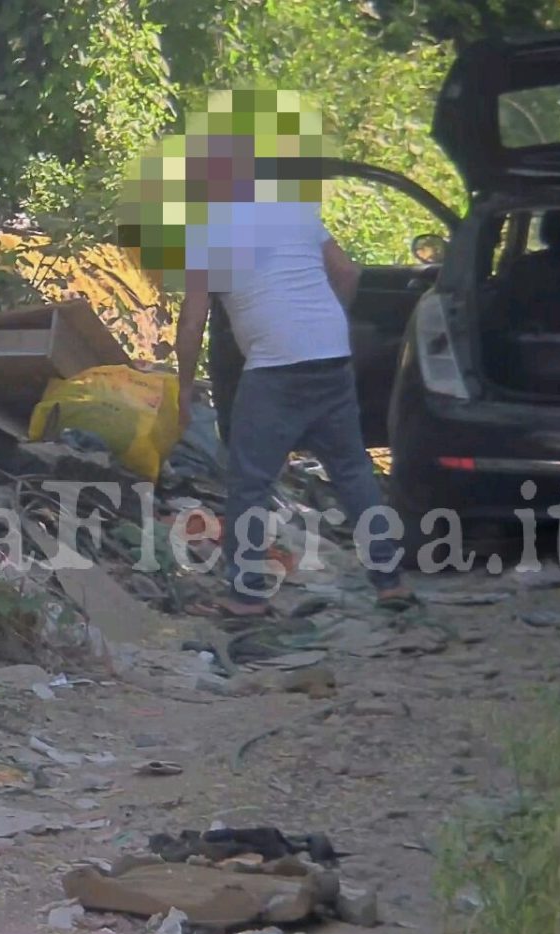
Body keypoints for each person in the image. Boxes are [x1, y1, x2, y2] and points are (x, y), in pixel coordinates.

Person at [173, 146, 415, 617]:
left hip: (275, 369)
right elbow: (348, 272)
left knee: (250, 483)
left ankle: (245, 596)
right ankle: (390, 583)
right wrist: (328, 318)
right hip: (330, 357)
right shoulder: (297, 214)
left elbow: (191, 323)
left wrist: (182, 387)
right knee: (352, 472)